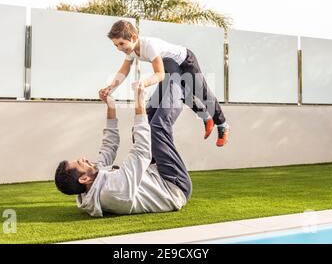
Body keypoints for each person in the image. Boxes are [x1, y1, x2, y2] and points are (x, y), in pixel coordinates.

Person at [54, 75, 192, 217]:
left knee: (143, 127)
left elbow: (109, 146)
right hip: (173, 186)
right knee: (156, 129)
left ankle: (169, 78)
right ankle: (184, 86)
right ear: (84, 179)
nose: (82, 158)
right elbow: (141, 152)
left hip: (155, 175)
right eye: (79, 162)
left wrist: (110, 105)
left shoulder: (93, 180)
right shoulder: (111, 191)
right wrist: (139, 101)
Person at [100, 19, 229, 147]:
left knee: (201, 92)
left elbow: (160, 74)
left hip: (185, 61)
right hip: (170, 67)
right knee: (180, 95)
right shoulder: (130, 50)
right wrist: (111, 87)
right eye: (116, 45)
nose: (119, 48)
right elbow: (124, 69)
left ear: (133, 37)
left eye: (121, 44)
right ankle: (206, 118)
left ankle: (222, 125)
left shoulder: (149, 46)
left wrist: (145, 82)